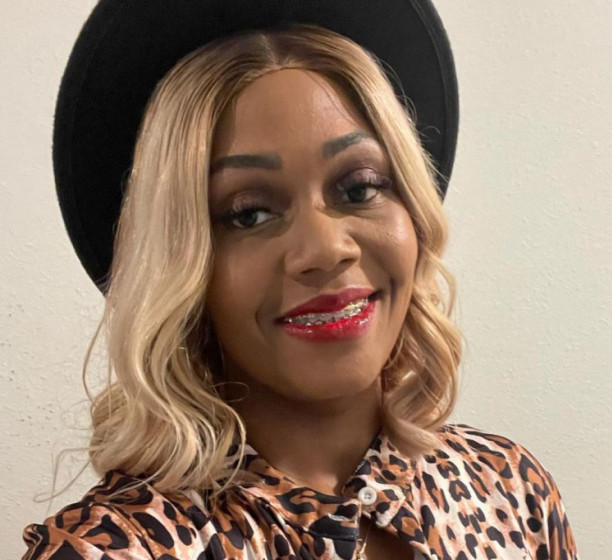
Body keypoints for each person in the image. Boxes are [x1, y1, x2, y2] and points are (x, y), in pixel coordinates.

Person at [23, 1, 579, 559]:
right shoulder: (115, 549)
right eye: (248, 213)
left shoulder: (511, 490)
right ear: (181, 264)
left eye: (360, 188)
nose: (325, 249)